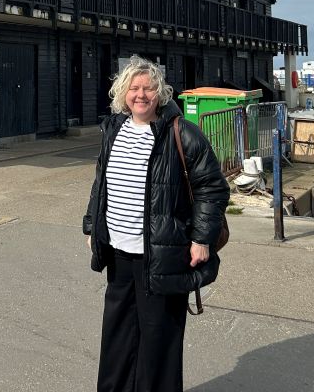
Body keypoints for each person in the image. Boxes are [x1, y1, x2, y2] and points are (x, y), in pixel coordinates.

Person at [83, 55, 230, 392]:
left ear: (160, 93)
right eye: (134, 88)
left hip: (163, 254)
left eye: (149, 88)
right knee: (118, 334)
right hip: (119, 253)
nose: (141, 94)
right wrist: (92, 227)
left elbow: (213, 187)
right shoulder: (113, 130)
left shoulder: (181, 133)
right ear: (122, 93)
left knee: (159, 338)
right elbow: (100, 183)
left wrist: (202, 238)